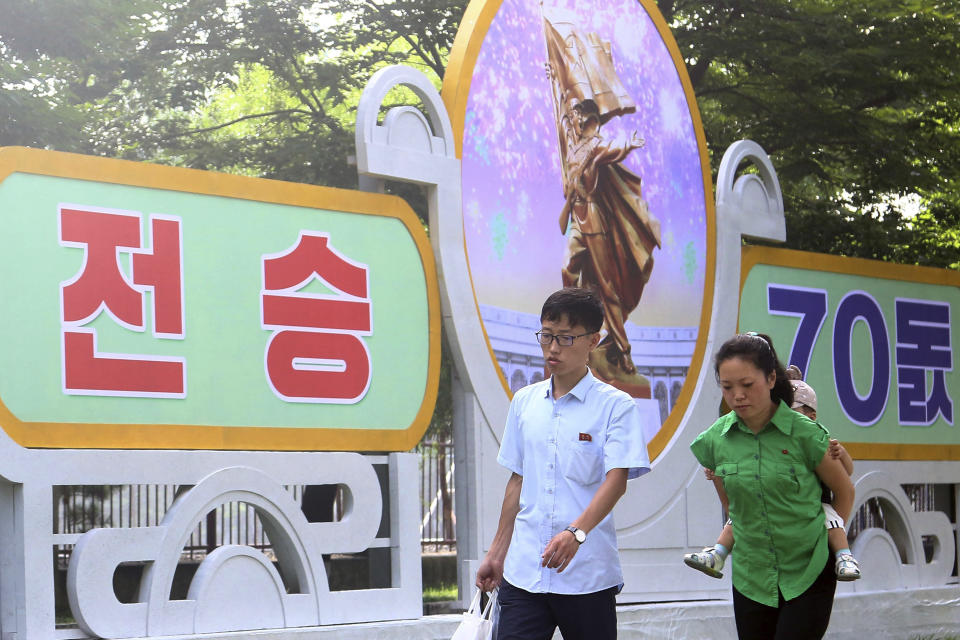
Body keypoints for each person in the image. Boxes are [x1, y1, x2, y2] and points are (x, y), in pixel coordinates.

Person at [475, 287, 650, 640]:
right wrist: (496, 553)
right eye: (547, 336)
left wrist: (576, 533)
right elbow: (517, 480)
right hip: (525, 573)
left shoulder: (615, 407)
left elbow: (617, 481)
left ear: (593, 341)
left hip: (587, 576)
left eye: (565, 338)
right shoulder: (524, 402)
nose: (553, 348)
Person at [688, 333, 854, 639]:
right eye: (727, 387)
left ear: (771, 378)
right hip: (752, 575)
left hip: (809, 569)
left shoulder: (804, 433)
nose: (737, 395)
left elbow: (844, 491)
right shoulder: (715, 440)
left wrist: (828, 547)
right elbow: (732, 506)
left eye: (747, 385)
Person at [683, 372, 862, 582]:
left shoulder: (817, 439)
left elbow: (846, 477)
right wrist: (718, 476)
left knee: (831, 521)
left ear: (811, 416)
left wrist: (840, 454)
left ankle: (844, 556)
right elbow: (734, 500)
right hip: (767, 518)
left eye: (793, 412)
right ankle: (718, 553)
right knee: (738, 518)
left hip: (814, 506)